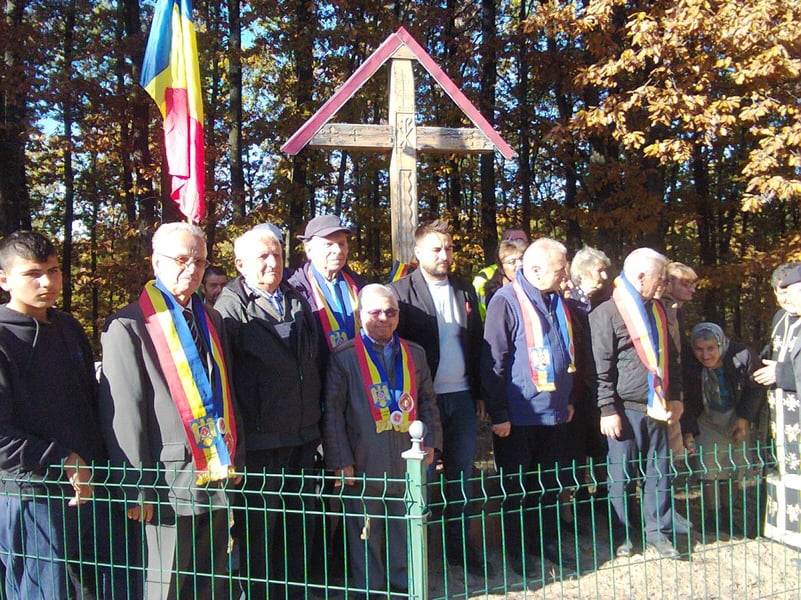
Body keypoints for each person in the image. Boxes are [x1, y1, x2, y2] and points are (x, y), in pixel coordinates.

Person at [99, 222, 244, 599]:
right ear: (156, 262)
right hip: (166, 485)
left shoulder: (211, 319)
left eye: (199, 261)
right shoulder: (128, 325)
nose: (192, 270)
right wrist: (135, 488)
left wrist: (235, 455)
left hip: (215, 473)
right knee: (167, 585)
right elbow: (125, 415)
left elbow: (226, 390)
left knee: (210, 584)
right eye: (181, 260)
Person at [0, 231, 128, 599]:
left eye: (54, 271)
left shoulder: (68, 327)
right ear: (5, 279)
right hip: (33, 496)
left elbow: (91, 404)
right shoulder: (4, 338)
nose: (47, 283)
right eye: (33, 274)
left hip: (93, 492)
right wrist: (63, 459)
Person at [214, 225, 321, 599]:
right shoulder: (229, 309)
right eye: (263, 256)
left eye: (277, 254)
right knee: (259, 532)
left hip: (303, 437)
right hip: (260, 443)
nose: (273, 262)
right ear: (240, 264)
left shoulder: (296, 299)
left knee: (299, 526)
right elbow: (225, 379)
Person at [322, 284, 442, 596]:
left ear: (398, 315)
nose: (383, 318)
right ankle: (370, 589)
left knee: (404, 526)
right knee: (365, 530)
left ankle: (404, 586)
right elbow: (333, 412)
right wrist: (341, 460)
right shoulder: (344, 357)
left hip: (407, 458)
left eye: (390, 312)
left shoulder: (415, 354)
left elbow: (428, 401)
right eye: (375, 312)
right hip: (363, 460)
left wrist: (431, 443)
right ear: (360, 315)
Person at [389, 219, 489, 576]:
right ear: (418, 252)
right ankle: (418, 553)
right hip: (422, 403)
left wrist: (479, 392)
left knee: (461, 480)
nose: (444, 254)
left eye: (448, 247)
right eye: (436, 249)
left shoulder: (464, 290)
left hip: (462, 398)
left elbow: (476, 343)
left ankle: (460, 549)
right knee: (423, 479)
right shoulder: (401, 293)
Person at [481, 237, 582, 575]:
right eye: (560, 269)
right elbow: (493, 361)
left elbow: (565, 352)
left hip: (555, 412)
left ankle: (547, 542)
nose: (565, 274)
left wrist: (568, 399)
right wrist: (499, 413)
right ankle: (518, 550)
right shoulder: (505, 301)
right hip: (519, 415)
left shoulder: (557, 300)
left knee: (549, 485)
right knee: (517, 488)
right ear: (536, 270)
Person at [590, 247, 684, 559]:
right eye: (661, 278)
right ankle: (624, 535)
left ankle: (659, 533)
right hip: (624, 408)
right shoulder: (606, 312)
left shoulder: (658, 310)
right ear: (641, 276)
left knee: (659, 472)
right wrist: (607, 408)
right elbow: (600, 367)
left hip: (656, 405)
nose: (664, 285)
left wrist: (675, 396)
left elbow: (670, 357)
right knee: (622, 476)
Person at [682, 322, 763, 536]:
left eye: (711, 348)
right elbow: (686, 398)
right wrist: (688, 431)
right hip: (706, 417)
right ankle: (713, 516)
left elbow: (755, 389)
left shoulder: (741, 355)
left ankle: (728, 516)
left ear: (721, 344)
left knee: (730, 465)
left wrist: (744, 420)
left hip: (735, 414)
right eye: (699, 349)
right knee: (708, 467)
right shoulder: (688, 362)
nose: (705, 355)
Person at [756, 264, 801, 548]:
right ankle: (787, 533)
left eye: (791, 292)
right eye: (780, 293)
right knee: (783, 470)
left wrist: (780, 373)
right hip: (779, 414)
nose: (786, 299)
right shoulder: (779, 318)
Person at [287, 214, 366, 367]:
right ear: (309, 250)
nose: (338, 250)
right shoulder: (295, 291)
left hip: (360, 370)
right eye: (328, 244)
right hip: (320, 374)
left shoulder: (359, 285)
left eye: (342, 244)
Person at [472, 227, 529, 319]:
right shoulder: (484, 278)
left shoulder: (539, 279)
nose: (514, 245)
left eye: (520, 240)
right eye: (508, 241)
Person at [483, 238, 527, 308]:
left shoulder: (535, 287)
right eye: (512, 262)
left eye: (522, 258)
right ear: (501, 269)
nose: (520, 264)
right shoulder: (498, 297)